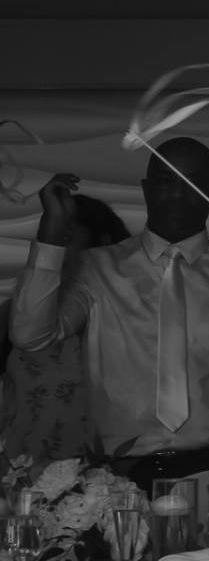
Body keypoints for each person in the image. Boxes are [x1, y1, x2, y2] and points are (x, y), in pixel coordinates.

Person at [11, 140, 209, 495]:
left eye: (191, 182)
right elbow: (30, 335)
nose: (176, 193)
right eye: (165, 181)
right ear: (146, 190)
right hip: (122, 483)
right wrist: (52, 232)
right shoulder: (95, 269)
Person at [0, 194, 130, 461]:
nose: (54, 249)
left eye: (65, 238)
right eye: (50, 237)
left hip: (102, 472)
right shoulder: (14, 312)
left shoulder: (123, 309)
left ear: (104, 243)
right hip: (23, 469)